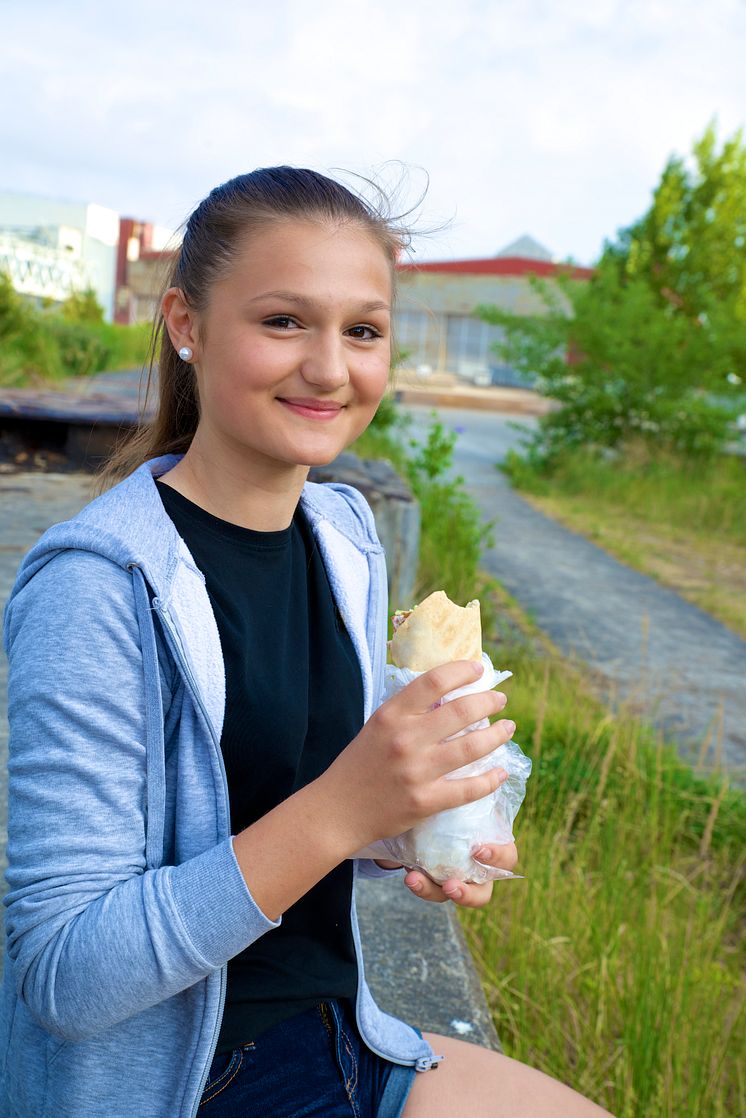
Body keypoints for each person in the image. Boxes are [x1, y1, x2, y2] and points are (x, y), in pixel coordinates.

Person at [0, 167, 612, 1118]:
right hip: (188, 1085)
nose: (331, 368)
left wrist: (407, 825)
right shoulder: (95, 585)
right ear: (186, 325)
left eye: (362, 330)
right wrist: (341, 810)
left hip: (343, 1031)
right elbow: (65, 976)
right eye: (285, 321)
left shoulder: (344, 536)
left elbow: (278, 800)